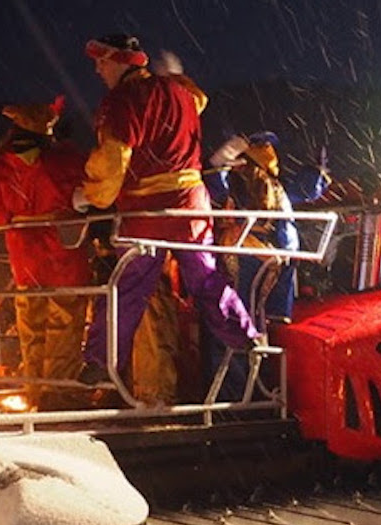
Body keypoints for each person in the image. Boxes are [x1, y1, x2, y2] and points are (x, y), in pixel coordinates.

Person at [73, 34, 258, 386]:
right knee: (206, 277)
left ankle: (99, 362)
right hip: (191, 205)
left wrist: (90, 195)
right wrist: (174, 78)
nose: (97, 69)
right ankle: (245, 335)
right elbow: (196, 101)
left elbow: (113, 159)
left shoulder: (121, 101)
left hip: (147, 211)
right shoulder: (182, 94)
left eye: (103, 61)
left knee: (128, 286)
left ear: (122, 61)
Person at [0, 97, 90, 408]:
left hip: (25, 259)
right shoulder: (65, 162)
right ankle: (59, 391)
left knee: (32, 329)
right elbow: (91, 193)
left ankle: (36, 390)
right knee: (64, 328)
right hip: (64, 256)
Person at [205, 132, 330, 323]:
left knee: (237, 310)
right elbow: (308, 188)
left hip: (247, 252)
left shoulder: (239, 184)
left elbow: (214, 185)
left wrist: (222, 159)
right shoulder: (279, 187)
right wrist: (319, 169)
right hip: (277, 254)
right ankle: (269, 320)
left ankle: (239, 329)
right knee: (263, 311)